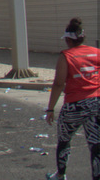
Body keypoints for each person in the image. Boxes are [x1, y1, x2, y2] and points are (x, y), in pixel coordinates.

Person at [44, 17, 99, 180]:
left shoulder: (66, 56)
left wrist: (50, 108)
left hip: (74, 106)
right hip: (96, 103)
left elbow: (59, 83)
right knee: (96, 145)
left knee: (64, 139)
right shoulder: (97, 52)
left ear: (68, 40)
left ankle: (60, 175)